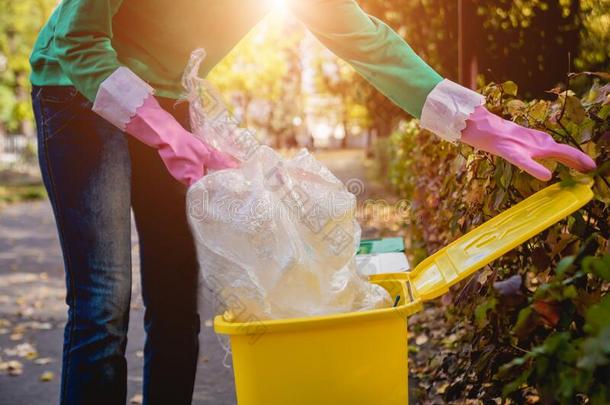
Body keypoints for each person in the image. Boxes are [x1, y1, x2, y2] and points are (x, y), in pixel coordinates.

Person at [29, 0, 596, 404]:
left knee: (177, 300)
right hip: (77, 89)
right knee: (105, 300)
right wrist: (165, 132)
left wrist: (481, 124)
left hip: (170, 99)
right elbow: (80, 42)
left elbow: (367, 41)